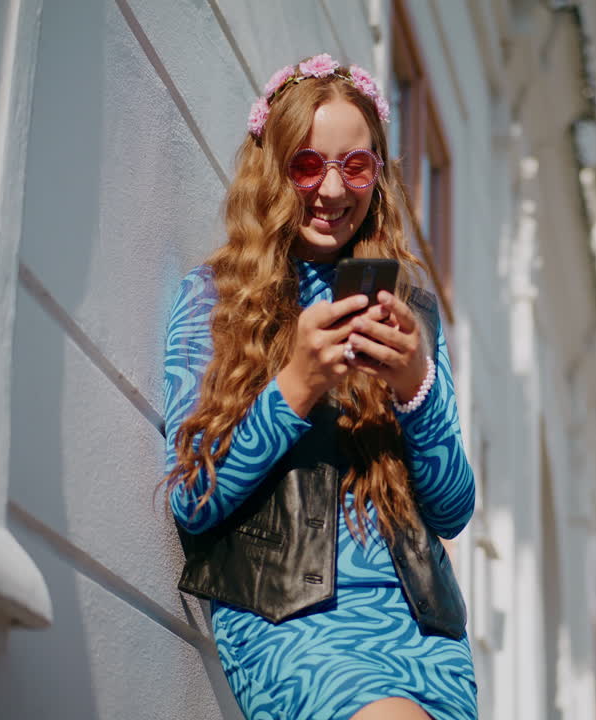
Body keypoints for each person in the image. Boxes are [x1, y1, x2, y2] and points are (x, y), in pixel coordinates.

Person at [161, 53, 477, 720]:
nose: (332, 189)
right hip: (287, 621)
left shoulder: (411, 309)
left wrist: (415, 384)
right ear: (273, 168)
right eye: (308, 164)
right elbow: (192, 497)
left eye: (354, 165)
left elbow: (452, 509)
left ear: (378, 176)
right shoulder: (217, 300)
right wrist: (297, 384)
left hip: (421, 634)